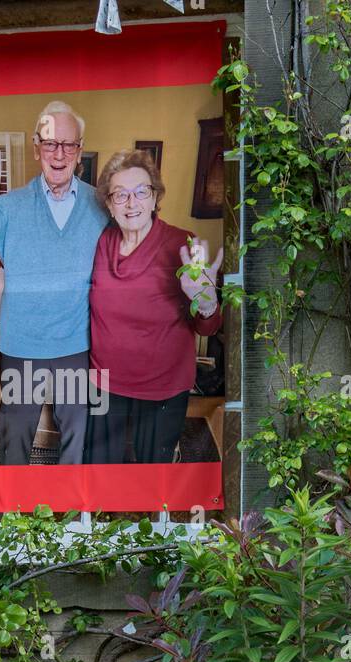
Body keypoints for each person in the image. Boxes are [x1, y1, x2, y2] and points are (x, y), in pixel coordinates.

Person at [0, 103, 108, 464]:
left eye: (68, 144)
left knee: (78, 439)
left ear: (79, 150)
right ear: (36, 148)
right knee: (14, 437)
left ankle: (70, 502)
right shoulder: (7, 208)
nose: (59, 154)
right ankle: (12, 501)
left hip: (77, 345)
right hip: (22, 347)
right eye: (50, 144)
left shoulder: (101, 206)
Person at [86, 150, 223, 464]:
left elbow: (209, 327)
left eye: (141, 192)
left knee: (153, 474)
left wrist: (206, 302)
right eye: (120, 194)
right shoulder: (102, 243)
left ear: (154, 198)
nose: (131, 203)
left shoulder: (184, 244)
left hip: (163, 386)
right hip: (104, 381)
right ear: (109, 204)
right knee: (99, 469)